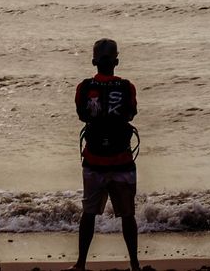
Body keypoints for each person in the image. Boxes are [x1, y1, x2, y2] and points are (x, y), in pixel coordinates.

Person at [72, 38, 139, 271]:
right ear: (116, 62)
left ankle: (81, 264)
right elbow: (131, 114)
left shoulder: (84, 87)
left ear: (94, 61)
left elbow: (82, 115)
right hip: (122, 161)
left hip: (94, 161)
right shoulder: (127, 87)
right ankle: (134, 264)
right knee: (128, 215)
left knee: (88, 214)